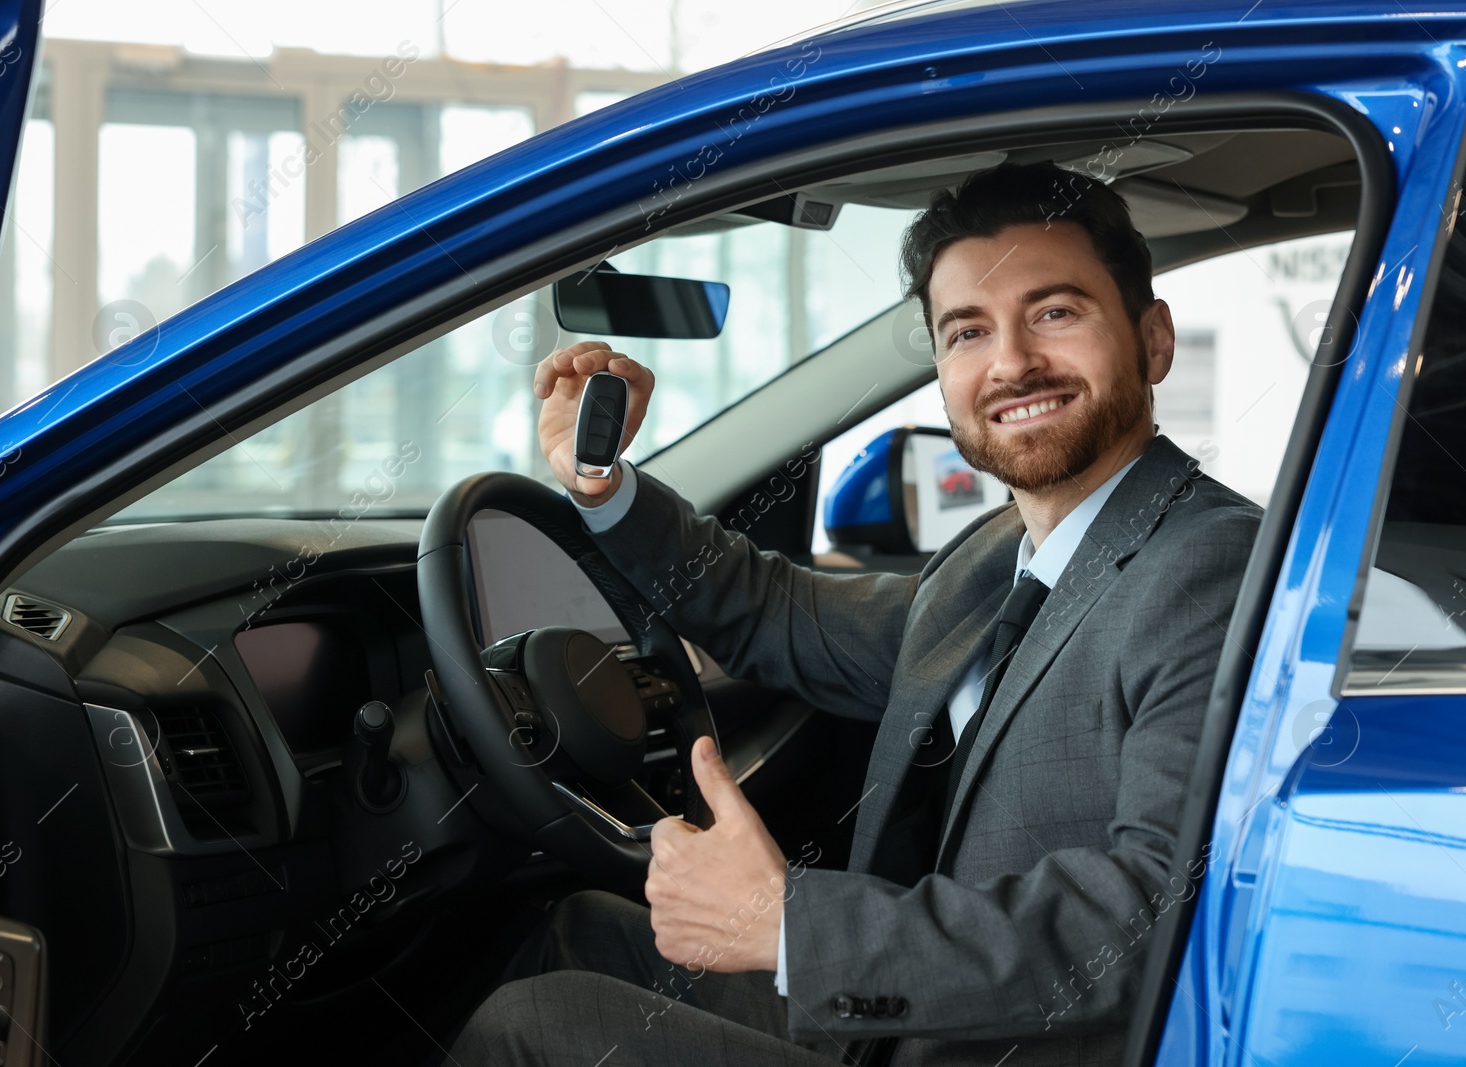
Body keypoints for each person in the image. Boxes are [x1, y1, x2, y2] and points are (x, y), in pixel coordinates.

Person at [452, 160, 1261, 1066]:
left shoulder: (1210, 564)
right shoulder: (998, 558)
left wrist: (791, 926)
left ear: (1154, 339)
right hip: (910, 1017)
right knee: (584, 932)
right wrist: (602, 486)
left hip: (1009, 1044)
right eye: (966, 331)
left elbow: (1153, 912)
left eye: (1055, 312)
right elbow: (778, 613)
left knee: (534, 1031)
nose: (1010, 362)